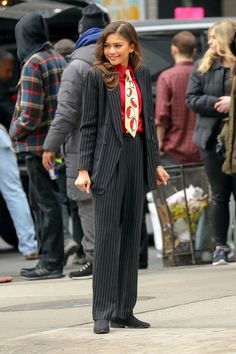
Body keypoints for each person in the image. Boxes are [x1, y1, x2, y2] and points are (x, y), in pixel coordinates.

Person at [75, 21, 169, 334]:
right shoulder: (96, 76)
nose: (111, 51)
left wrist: (155, 163)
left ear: (131, 46)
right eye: (108, 46)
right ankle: (102, 311)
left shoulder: (141, 74)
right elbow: (88, 125)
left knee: (131, 236)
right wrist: (83, 168)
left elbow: (148, 122)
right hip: (107, 163)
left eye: (118, 45)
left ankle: (124, 310)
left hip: (135, 158)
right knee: (106, 238)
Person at [43, 3, 109, 279]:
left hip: (82, 147)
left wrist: (49, 145)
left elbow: (66, 112)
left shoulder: (77, 64)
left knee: (87, 202)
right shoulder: (119, 58)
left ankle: (96, 260)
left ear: (81, 31)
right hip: (118, 146)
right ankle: (120, 258)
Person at [9, 13, 66, 280]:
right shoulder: (56, 57)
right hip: (55, 144)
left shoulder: (32, 63)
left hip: (35, 146)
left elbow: (30, 114)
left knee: (44, 203)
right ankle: (50, 260)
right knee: (52, 200)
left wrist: (13, 131)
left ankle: (50, 263)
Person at [186, 19, 236, 266]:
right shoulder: (202, 66)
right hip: (210, 139)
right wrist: (219, 102)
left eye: (214, 37)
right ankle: (220, 246)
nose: (210, 42)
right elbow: (191, 99)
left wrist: (233, 102)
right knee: (219, 194)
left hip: (234, 137)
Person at [0, 49, 37, 260]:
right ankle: (29, 245)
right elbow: (9, 113)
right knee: (14, 192)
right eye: (7, 69)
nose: (9, 73)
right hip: (1, 138)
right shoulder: (2, 90)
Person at [155, 31, 200, 165]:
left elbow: (162, 116)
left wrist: (160, 143)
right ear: (195, 51)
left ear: (174, 50)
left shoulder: (167, 77)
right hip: (201, 150)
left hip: (174, 150)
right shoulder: (204, 74)